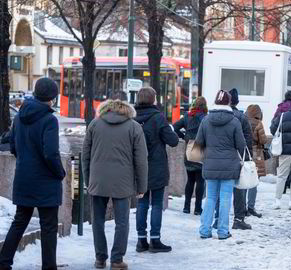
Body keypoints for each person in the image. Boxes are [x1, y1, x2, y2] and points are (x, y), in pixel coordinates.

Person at [0, 78, 66, 270]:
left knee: (19, 222)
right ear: (52, 98)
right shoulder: (49, 120)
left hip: (24, 178)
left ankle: (3, 263)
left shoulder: (19, 117)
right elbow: (51, 153)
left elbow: (13, 146)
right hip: (46, 182)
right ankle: (48, 267)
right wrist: (60, 173)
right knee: (49, 227)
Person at [82, 99, 148, 270]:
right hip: (123, 181)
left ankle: (100, 258)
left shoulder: (95, 124)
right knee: (122, 222)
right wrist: (141, 186)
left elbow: (85, 156)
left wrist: (88, 179)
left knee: (97, 221)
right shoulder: (134, 127)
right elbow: (141, 160)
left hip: (98, 180)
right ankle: (117, 260)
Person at [197, 90, 246, 240]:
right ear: (229, 103)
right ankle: (223, 231)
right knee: (225, 198)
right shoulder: (234, 121)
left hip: (210, 164)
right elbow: (241, 144)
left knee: (210, 197)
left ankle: (205, 230)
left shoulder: (206, 120)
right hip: (229, 165)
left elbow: (199, 142)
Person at [135, 87, 179, 253]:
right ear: (153, 100)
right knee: (157, 203)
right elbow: (173, 141)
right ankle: (155, 240)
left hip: (138, 167)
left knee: (142, 203)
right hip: (157, 167)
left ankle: (141, 241)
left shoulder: (132, 117)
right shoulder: (158, 118)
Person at [173, 97, 208, 215]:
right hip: (200, 149)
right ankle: (198, 209)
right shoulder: (205, 118)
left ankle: (186, 207)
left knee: (190, 180)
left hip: (188, 150)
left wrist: (183, 136)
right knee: (200, 181)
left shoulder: (187, 116)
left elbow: (174, 127)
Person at [228, 88, 254, 230]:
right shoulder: (242, 117)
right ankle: (238, 218)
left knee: (218, 191)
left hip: (218, 159)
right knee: (239, 189)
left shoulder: (211, 116)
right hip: (238, 158)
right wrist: (249, 159)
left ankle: (217, 219)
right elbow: (247, 140)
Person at [245, 104, 267, 218]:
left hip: (245, 153)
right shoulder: (258, 123)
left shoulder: (243, 120)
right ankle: (251, 207)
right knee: (253, 182)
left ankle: (243, 208)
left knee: (243, 181)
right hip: (256, 154)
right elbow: (263, 140)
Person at [271, 90, 291, 176]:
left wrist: (274, 133)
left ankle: (282, 178)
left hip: (283, 137)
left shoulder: (281, 107)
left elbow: (274, 121)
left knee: (283, 161)